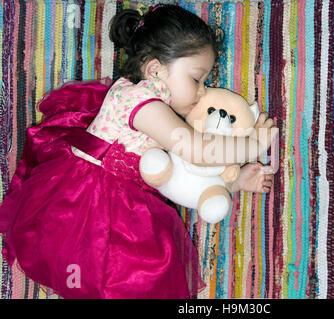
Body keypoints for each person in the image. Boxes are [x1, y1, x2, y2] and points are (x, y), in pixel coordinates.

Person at [0, 4, 277, 299]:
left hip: (119, 193)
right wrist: (253, 144)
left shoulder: (155, 106)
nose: (202, 92)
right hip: (87, 205)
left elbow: (182, 176)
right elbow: (195, 150)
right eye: (196, 79)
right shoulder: (142, 102)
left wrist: (231, 182)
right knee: (139, 271)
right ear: (155, 69)